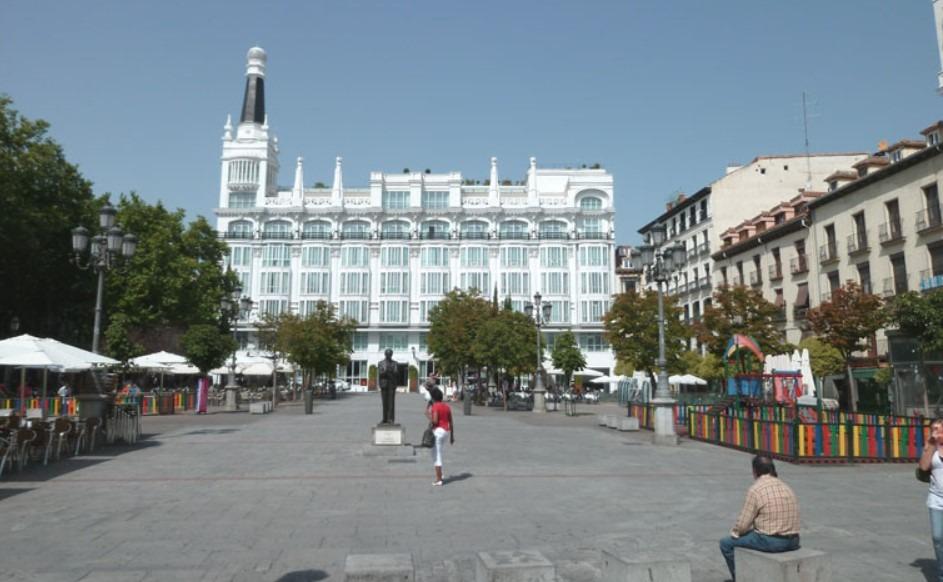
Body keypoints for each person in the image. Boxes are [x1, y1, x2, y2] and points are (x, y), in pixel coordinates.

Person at [719, 455, 800, 581]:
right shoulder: (786, 486)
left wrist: (735, 533)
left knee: (726, 544)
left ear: (755, 471)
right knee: (755, 532)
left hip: (771, 542)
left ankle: (738, 578)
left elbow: (743, 524)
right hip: (794, 540)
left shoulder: (756, 489)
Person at [919, 417, 943, 581]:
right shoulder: (930, 447)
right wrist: (931, 445)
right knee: (937, 538)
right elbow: (923, 467)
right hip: (936, 500)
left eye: (939, 428)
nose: (936, 432)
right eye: (933, 429)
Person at [425, 386, 454, 486]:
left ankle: (439, 479)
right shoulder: (447, 407)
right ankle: (440, 474)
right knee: (435, 453)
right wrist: (452, 436)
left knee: (437, 455)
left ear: (433, 398)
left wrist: (428, 415)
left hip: (438, 431)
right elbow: (451, 422)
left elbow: (435, 421)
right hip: (446, 432)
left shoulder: (435, 406)